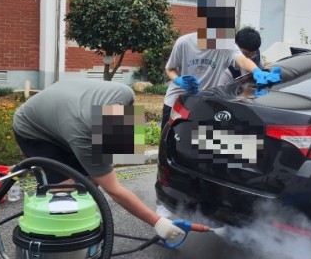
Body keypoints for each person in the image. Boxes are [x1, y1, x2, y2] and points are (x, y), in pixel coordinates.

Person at [12, 78, 186, 243]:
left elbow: (109, 161)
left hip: (61, 112)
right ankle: (62, 234)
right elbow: (114, 190)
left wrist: (102, 169)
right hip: (33, 130)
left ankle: (80, 217)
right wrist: (157, 222)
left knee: (94, 176)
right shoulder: (82, 136)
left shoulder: (125, 93)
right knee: (66, 189)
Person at [161, 31, 266, 129]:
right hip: (177, 101)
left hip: (205, 102)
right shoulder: (184, 43)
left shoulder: (225, 46)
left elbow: (242, 60)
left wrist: (256, 70)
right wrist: (179, 80)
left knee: (198, 139)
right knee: (170, 137)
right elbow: (169, 69)